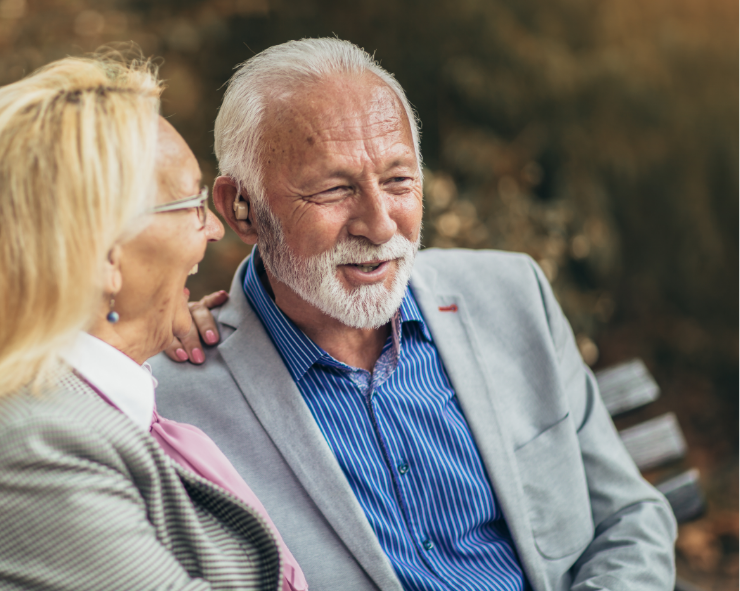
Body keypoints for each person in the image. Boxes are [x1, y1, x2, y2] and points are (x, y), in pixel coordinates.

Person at [152, 38, 677, 591]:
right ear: (242, 208)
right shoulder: (171, 400)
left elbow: (630, 518)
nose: (380, 226)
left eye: (398, 180)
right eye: (334, 189)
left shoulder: (514, 296)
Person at [0, 55, 307, 590]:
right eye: (192, 201)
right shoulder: (33, 458)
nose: (214, 228)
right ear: (105, 255)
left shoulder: (73, 410)